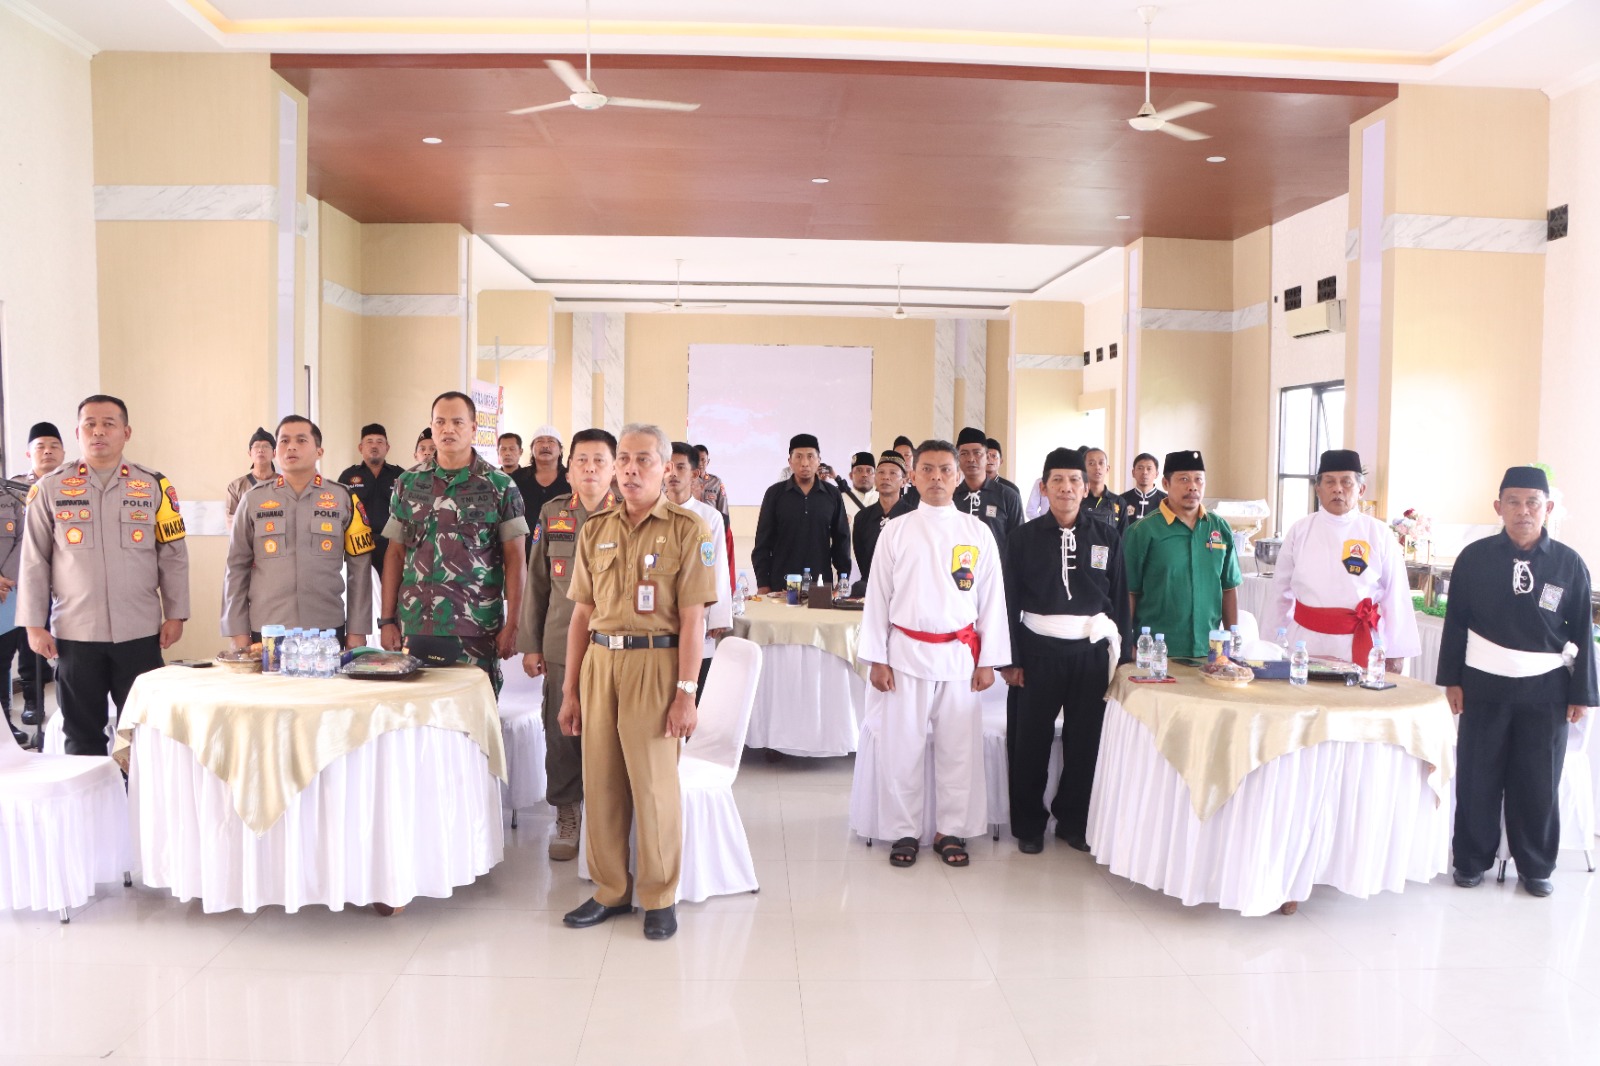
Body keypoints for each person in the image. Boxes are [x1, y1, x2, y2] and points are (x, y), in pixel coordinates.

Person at [559, 423, 718, 942]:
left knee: (653, 787)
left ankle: (658, 894)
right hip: (600, 665)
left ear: (666, 467)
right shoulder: (594, 530)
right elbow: (582, 615)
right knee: (601, 782)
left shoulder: (687, 530)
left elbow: (694, 620)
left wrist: (687, 693)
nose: (630, 469)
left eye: (643, 460)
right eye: (623, 459)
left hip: (656, 665)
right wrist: (570, 690)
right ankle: (609, 889)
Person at [1439, 466, 1597, 898]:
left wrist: (1581, 693)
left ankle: (1537, 866)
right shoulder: (1474, 558)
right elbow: (1456, 623)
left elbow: (1583, 631)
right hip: (1483, 684)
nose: (1523, 511)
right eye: (1513, 501)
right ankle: (1471, 860)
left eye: (1532, 503)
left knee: (1538, 779)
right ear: (1498, 507)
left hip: (1545, 689)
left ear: (1547, 508)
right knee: (1477, 774)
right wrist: (1451, 680)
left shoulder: (1569, 563)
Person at [855, 439, 1011, 869]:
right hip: (904, 655)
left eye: (946, 469)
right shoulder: (896, 530)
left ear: (958, 476)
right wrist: (877, 658)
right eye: (928, 469)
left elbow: (992, 601)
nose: (937, 477)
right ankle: (903, 829)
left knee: (958, 748)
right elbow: (877, 598)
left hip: (960, 657)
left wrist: (988, 661)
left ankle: (950, 829)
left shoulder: (977, 532)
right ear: (913, 476)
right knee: (901, 748)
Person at [17, 395, 189, 756]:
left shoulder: (154, 486)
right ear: (77, 433)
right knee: (81, 736)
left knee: (143, 733)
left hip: (139, 632)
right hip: (76, 634)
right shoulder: (49, 488)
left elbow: (172, 555)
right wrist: (34, 625)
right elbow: (34, 561)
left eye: (109, 423)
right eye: (89, 424)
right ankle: (92, 811)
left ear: (126, 432)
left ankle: (140, 808)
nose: (99, 431)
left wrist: (176, 613)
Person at [1002, 447, 1129, 853]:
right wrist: (1011, 659)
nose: (1066, 487)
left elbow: (1120, 598)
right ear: (1043, 487)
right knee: (1029, 743)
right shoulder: (1021, 538)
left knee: (1086, 742)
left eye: (1074, 480)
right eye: (1057, 480)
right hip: (1036, 651)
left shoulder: (1108, 536)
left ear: (1086, 485)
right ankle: (1029, 826)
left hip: (1090, 653)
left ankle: (1074, 820)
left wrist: (1121, 662)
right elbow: (1006, 601)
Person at [379, 392, 527, 695]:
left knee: (474, 720)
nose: (448, 429)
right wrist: (386, 621)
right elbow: (394, 554)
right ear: (431, 428)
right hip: (416, 625)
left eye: (458, 422)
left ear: (473, 428)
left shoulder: (500, 486)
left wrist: (514, 624)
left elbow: (516, 560)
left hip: (476, 629)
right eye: (440, 422)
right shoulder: (407, 484)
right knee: (418, 719)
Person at [520, 428, 619, 862]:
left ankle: (607, 814)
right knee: (562, 733)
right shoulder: (552, 513)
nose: (591, 468)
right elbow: (537, 583)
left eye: (600, 460)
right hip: (561, 641)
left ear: (614, 467)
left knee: (611, 730)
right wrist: (531, 644)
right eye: (582, 460)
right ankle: (567, 813)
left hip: (617, 646)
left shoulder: (631, 514)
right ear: (570, 466)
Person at [223, 416, 374, 650]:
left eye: (301, 440)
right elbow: (236, 566)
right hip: (267, 630)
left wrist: (357, 630)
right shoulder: (253, 500)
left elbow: (360, 569)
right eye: (284, 441)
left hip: (326, 629)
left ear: (319, 451)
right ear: (275, 452)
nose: (291, 446)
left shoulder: (343, 498)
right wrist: (236, 631)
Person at [1268, 449, 1419, 668]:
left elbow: (1396, 596)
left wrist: (1397, 653)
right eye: (1329, 482)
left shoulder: (1378, 533)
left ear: (1361, 490)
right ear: (1318, 489)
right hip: (1304, 645)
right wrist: (1270, 645)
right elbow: (1279, 594)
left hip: (1359, 644)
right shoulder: (1300, 531)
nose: (1338, 489)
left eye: (1346, 482)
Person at [1121, 450, 1240, 658]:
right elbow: (1128, 592)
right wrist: (1126, 645)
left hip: (1209, 651)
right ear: (1166, 484)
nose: (1192, 486)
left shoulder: (1219, 528)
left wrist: (1232, 645)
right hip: (1157, 652)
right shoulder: (1143, 531)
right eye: (1183, 479)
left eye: (1198, 480)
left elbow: (1228, 588)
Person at [665, 443, 733, 700]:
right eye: (668, 467)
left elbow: (717, 567)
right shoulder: (653, 511)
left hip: (698, 614)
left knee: (694, 690)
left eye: (680, 467)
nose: (673, 474)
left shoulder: (709, 516)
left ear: (694, 474)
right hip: (661, 614)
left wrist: (716, 616)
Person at [751, 433, 850, 593]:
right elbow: (763, 542)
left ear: (819, 460)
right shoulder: (775, 494)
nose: (804, 463)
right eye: (798, 457)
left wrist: (843, 578)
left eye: (810, 456)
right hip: (781, 582)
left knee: (818, 618)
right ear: (790, 461)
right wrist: (763, 583)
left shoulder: (832, 495)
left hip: (820, 582)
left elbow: (842, 539)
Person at [13, 422, 64, 729]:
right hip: (25, 583)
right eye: (41, 447)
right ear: (28, 453)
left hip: (64, 585)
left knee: (66, 645)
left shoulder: (73, 486)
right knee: (27, 642)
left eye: (53, 446)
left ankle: (65, 699)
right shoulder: (12, 490)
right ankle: (33, 701)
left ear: (63, 452)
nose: (47, 452)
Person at [337, 423, 403, 581]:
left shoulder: (401, 476)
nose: (374, 446)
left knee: (392, 593)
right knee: (360, 594)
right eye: (369, 441)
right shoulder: (348, 476)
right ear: (360, 447)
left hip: (392, 546)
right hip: (358, 546)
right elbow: (340, 514)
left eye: (380, 442)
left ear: (387, 447)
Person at [952, 427, 1023, 555]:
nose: (971, 459)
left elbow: (1019, 543)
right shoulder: (950, 497)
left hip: (997, 572)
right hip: (958, 572)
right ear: (957, 459)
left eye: (977, 453)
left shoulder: (1008, 496)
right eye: (964, 453)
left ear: (987, 457)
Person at [851, 451, 913, 593]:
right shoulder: (862, 518)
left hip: (905, 590)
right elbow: (861, 557)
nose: (886, 477)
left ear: (904, 481)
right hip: (871, 588)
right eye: (881, 473)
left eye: (893, 473)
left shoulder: (913, 517)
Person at [0, 471, 26, 742]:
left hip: (5, 596)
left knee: (3, 663)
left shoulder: (11, 496)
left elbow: (23, 538)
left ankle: (5, 726)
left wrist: (4, 579)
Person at [513, 425, 571, 524]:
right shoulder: (518, 477)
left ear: (561, 449)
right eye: (539, 441)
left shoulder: (571, 477)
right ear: (532, 449)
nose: (545, 445)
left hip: (561, 537)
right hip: (525, 538)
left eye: (551, 441)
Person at [224, 427, 278, 528]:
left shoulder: (285, 484)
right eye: (256, 446)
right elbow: (232, 522)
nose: (260, 450)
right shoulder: (236, 486)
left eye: (266, 446)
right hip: (248, 542)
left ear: (274, 453)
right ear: (249, 453)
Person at [1081, 447, 1125, 529]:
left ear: (1107, 469)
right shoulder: (1076, 500)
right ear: (1083, 469)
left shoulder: (1119, 502)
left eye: (1101, 463)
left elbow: (1123, 537)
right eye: (1091, 463)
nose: (1097, 467)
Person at [1119, 453, 1167, 526]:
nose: (1144, 472)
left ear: (1156, 474)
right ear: (1133, 473)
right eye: (1140, 468)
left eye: (1149, 468)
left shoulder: (1167, 501)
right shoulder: (1121, 500)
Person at [691, 444, 729, 517]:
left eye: (703, 460)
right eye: (697, 460)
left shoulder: (716, 482)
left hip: (711, 523)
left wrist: (725, 525)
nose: (700, 463)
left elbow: (723, 507)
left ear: (708, 461)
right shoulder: (686, 481)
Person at [893, 436, 920, 508]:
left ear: (914, 457)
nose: (903, 459)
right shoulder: (889, 484)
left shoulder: (921, 485)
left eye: (907, 455)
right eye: (898, 456)